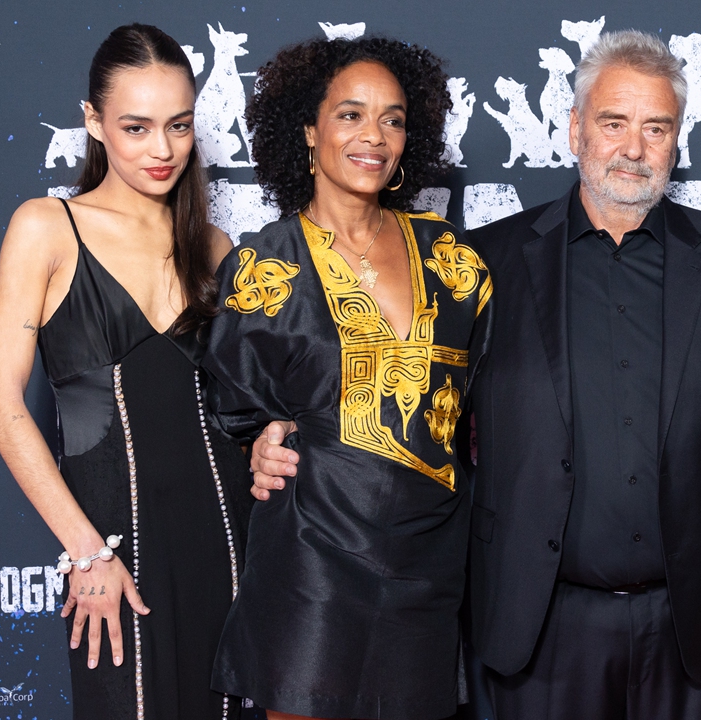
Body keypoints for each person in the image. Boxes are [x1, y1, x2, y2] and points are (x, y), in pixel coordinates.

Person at [466, 29, 701, 719]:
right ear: (574, 130)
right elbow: (422, 410)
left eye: (656, 128)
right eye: (614, 123)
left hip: (694, 627)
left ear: (677, 141)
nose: (633, 147)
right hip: (536, 632)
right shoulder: (488, 261)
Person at [202, 35, 490, 720]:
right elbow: (237, 409)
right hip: (313, 562)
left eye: (392, 118)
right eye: (351, 115)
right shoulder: (262, 269)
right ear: (308, 130)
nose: (375, 136)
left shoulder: (455, 260)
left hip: (430, 562)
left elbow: (489, 398)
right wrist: (259, 445)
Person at [0, 23, 252, 720]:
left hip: (227, 541)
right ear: (93, 123)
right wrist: (86, 551)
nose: (161, 150)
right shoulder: (45, 226)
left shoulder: (216, 247)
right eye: (136, 127)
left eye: (179, 126)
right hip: (114, 549)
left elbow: (252, 397)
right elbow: (0, 404)